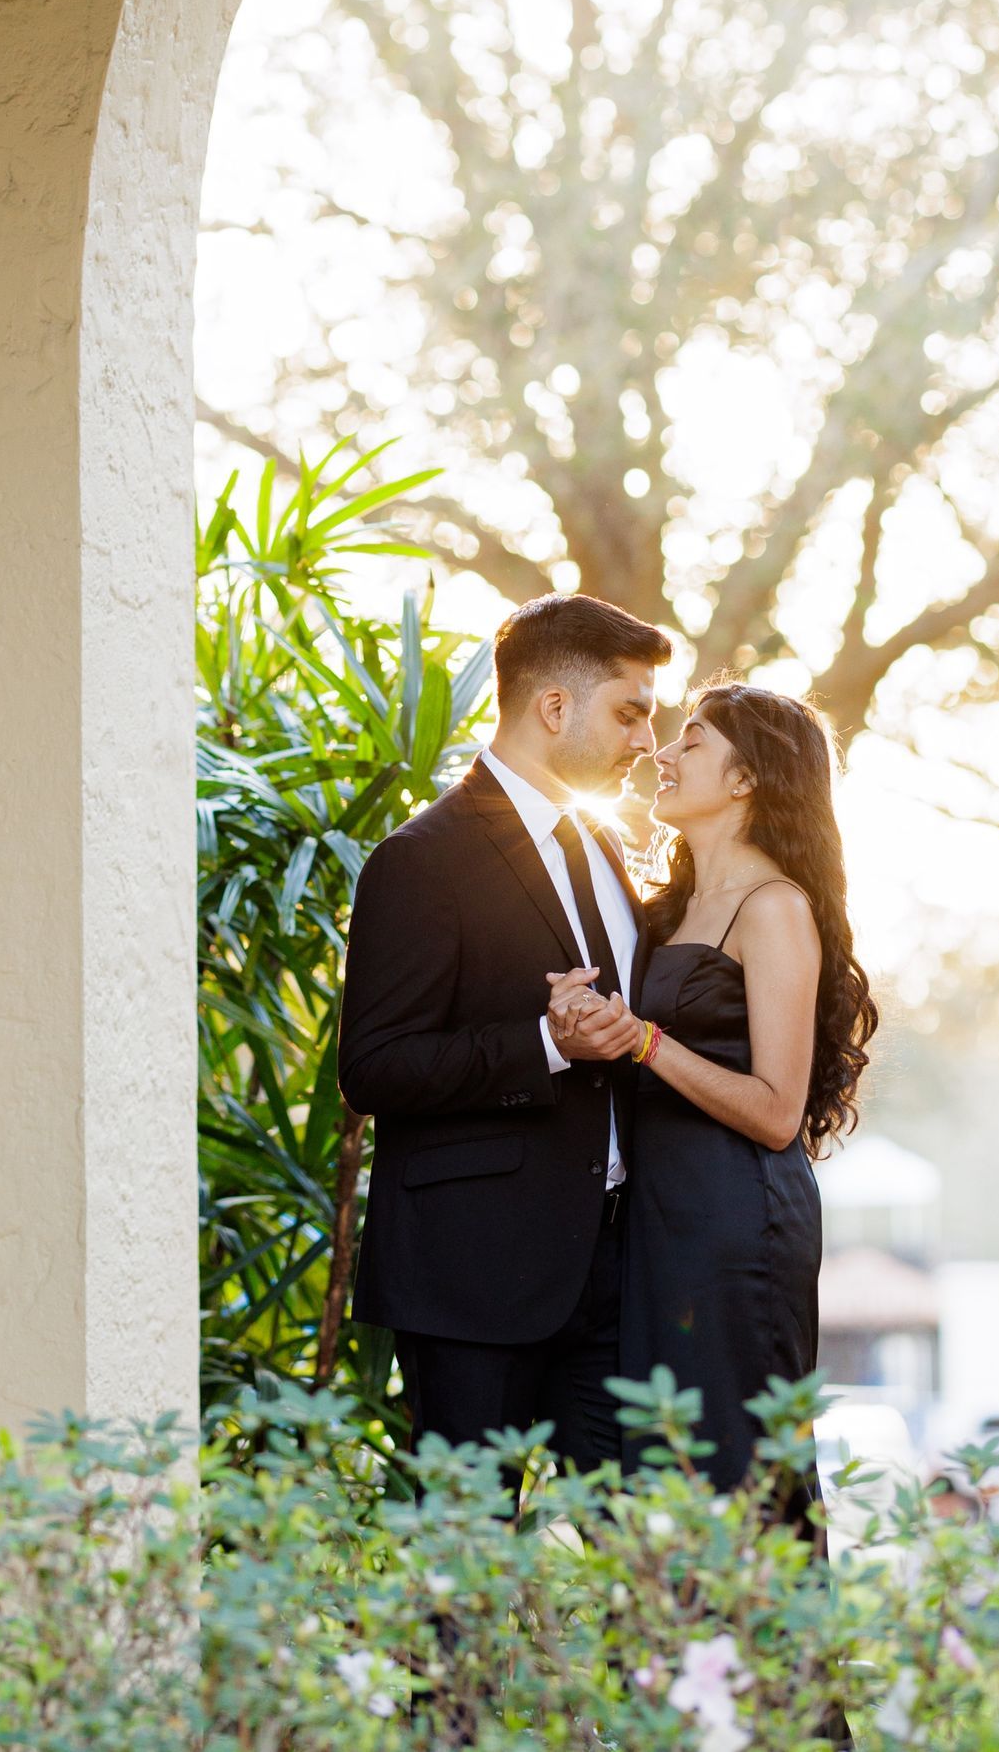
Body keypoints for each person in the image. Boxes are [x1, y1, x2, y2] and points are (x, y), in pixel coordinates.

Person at [337, 590, 671, 1470]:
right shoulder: (420, 859)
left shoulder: (604, 848)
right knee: (466, 1559)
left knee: (646, 1554)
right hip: (472, 1278)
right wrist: (550, 1042)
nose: (647, 741)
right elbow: (373, 1068)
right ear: (553, 706)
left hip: (618, 1272)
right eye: (631, 712)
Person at [551, 683, 877, 1495]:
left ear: (745, 780)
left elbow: (776, 1113)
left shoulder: (775, 910)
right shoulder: (665, 910)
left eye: (690, 741)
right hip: (656, 1220)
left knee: (733, 1471)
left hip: (738, 1226)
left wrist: (645, 1041)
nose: (662, 753)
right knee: (656, 1474)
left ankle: (751, 1625)